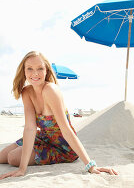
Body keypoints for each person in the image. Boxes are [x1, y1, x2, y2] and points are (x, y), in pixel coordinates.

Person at [0, 51, 118, 180]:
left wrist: (91, 166)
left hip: (62, 147)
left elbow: (66, 130)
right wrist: (22, 169)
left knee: (13, 157)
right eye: (30, 68)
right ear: (23, 71)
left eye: (40, 68)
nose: (35, 73)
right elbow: (30, 128)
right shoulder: (26, 92)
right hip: (43, 138)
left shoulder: (50, 90)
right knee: (2, 156)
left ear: (46, 70)